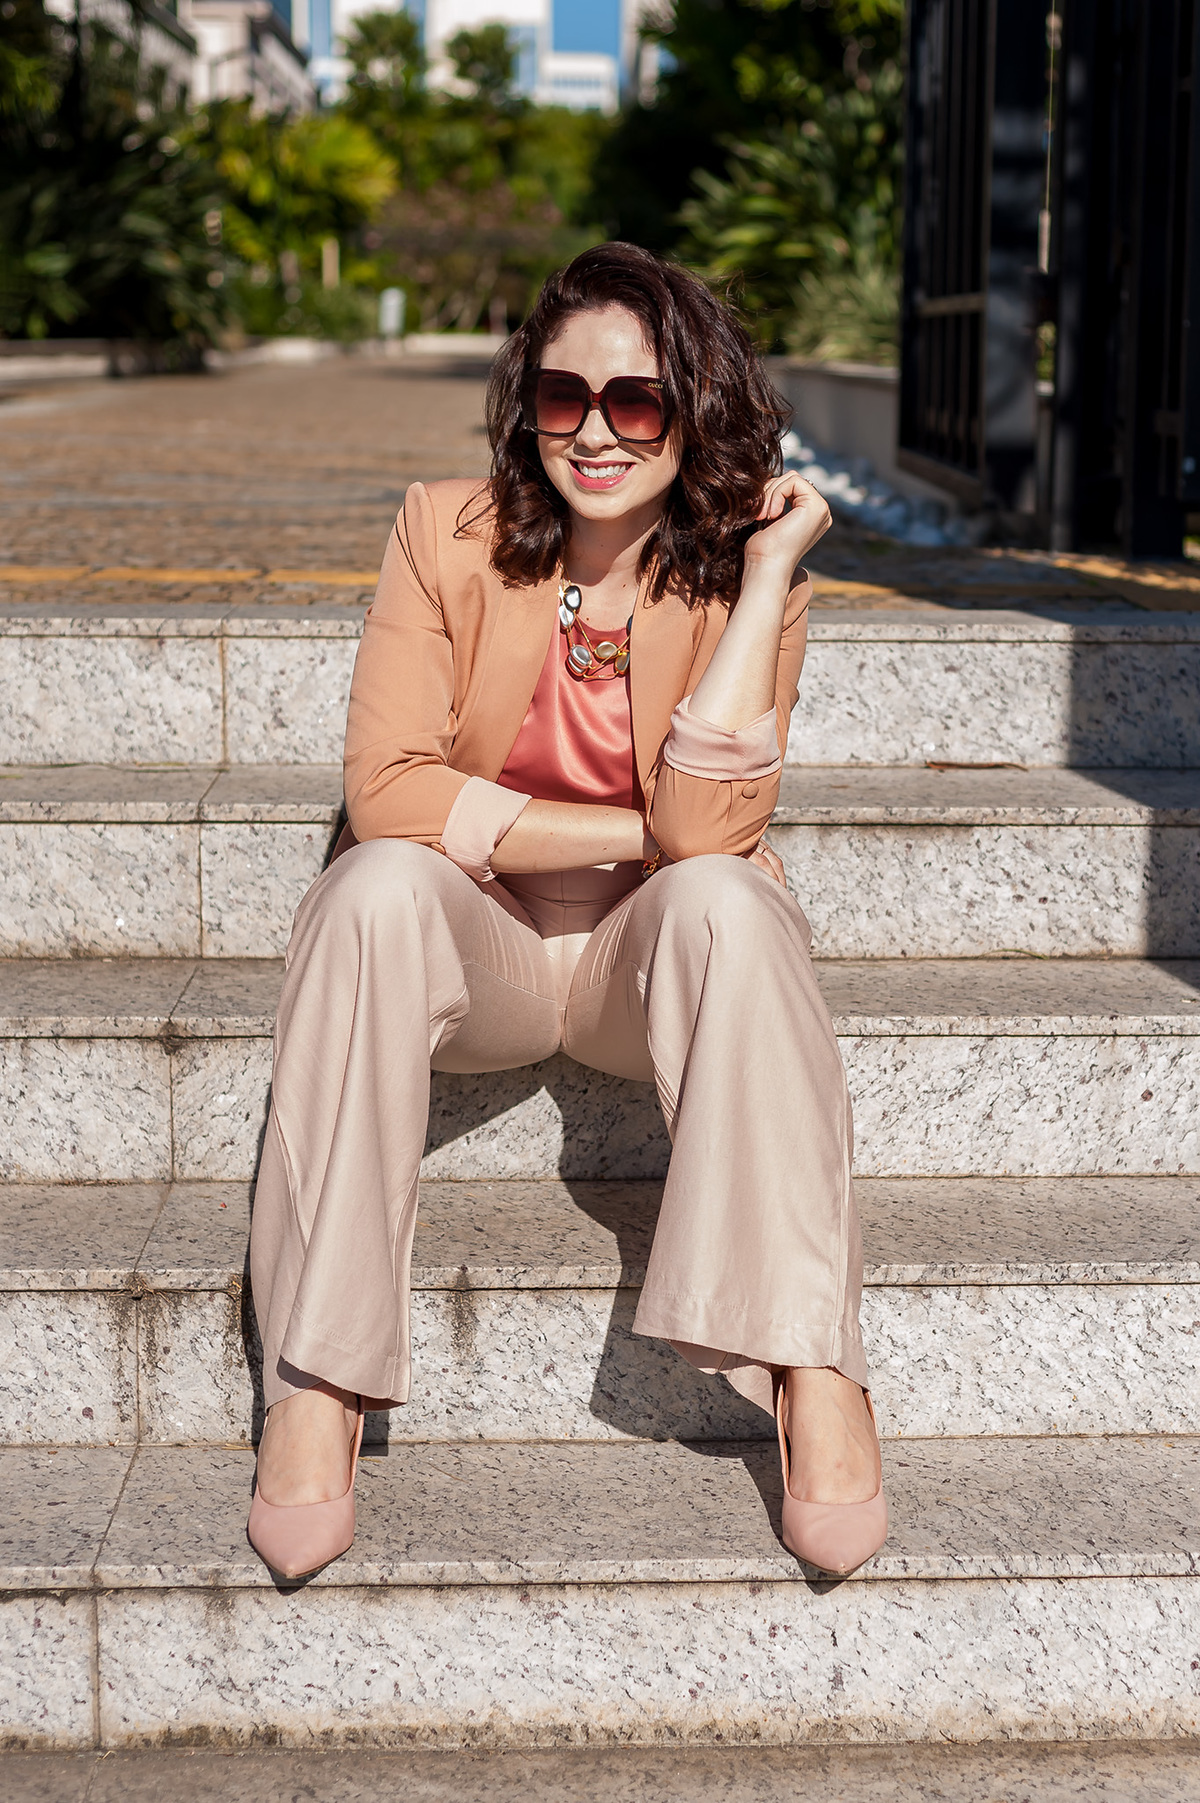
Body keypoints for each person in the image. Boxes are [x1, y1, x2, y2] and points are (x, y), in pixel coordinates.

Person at [246, 242, 886, 1582]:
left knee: (728, 901)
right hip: (471, 945)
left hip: (631, 968)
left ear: (696, 410)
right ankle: (316, 1374)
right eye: (562, 395)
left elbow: (712, 835)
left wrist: (768, 578)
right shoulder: (446, 531)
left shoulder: (738, 576)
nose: (594, 432)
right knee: (364, 891)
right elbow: (389, 792)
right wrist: (618, 829)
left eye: (636, 401)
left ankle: (813, 1365)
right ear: (525, 403)